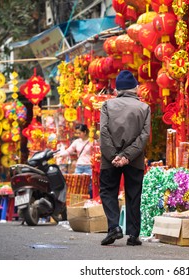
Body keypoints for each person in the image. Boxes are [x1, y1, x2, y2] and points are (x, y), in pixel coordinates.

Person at [99, 70, 151, 246]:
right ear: (135, 88)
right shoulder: (144, 108)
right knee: (134, 194)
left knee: (108, 191)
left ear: (117, 89)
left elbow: (104, 132)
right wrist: (127, 156)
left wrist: (114, 155)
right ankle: (133, 235)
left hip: (109, 159)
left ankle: (114, 227)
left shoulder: (107, 105)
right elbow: (144, 136)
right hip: (134, 159)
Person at [57, 123, 93, 197]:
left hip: (89, 166)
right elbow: (69, 151)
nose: (78, 135)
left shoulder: (92, 142)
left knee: (89, 186)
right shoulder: (77, 142)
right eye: (77, 133)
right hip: (79, 166)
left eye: (79, 133)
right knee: (77, 184)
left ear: (85, 132)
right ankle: (78, 201)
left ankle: (89, 200)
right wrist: (60, 155)